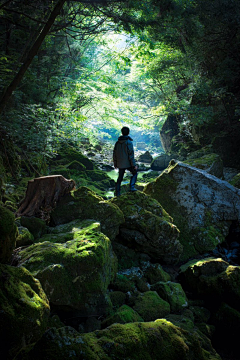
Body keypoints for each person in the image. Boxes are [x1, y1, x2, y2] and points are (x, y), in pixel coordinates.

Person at [113, 126, 138, 196]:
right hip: (128, 164)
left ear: (122, 132)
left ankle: (117, 193)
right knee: (135, 173)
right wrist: (134, 165)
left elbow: (114, 154)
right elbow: (131, 155)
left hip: (120, 164)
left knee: (120, 177)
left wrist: (115, 164)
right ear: (128, 133)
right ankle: (132, 187)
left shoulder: (117, 143)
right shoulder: (128, 142)